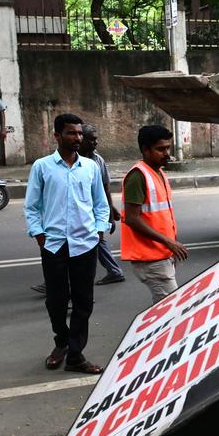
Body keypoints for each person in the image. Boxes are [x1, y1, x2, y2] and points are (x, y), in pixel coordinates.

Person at [23, 113, 110, 375]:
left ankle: (75, 354)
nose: (78, 138)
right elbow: (32, 206)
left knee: (84, 302)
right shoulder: (42, 166)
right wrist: (39, 235)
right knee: (56, 301)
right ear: (57, 135)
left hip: (85, 243)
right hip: (54, 245)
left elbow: (100, 204)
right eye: (72, 133)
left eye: (80, 133)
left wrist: (98, 230)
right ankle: (61, 341)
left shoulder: (91, 167)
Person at [121, 125, 188, 303]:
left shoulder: (157, 172)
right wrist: (168, 242)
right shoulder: (138, 176)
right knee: (171, 310)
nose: (167, 153)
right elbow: (132, 218)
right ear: (145, 149)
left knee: (164, 309)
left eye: (168, 148)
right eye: (160, 149)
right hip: (151, 259)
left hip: (162, 254)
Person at [82, 124, 125, 286]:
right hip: (78, 209)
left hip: (93, 209)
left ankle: (114, 271)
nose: (96, 142)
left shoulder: (97, 160)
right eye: (92, 139)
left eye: (96, 139)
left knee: (96, 239)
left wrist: (110, 211)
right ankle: (114, 271)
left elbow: (105, 187)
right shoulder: (69, 159)